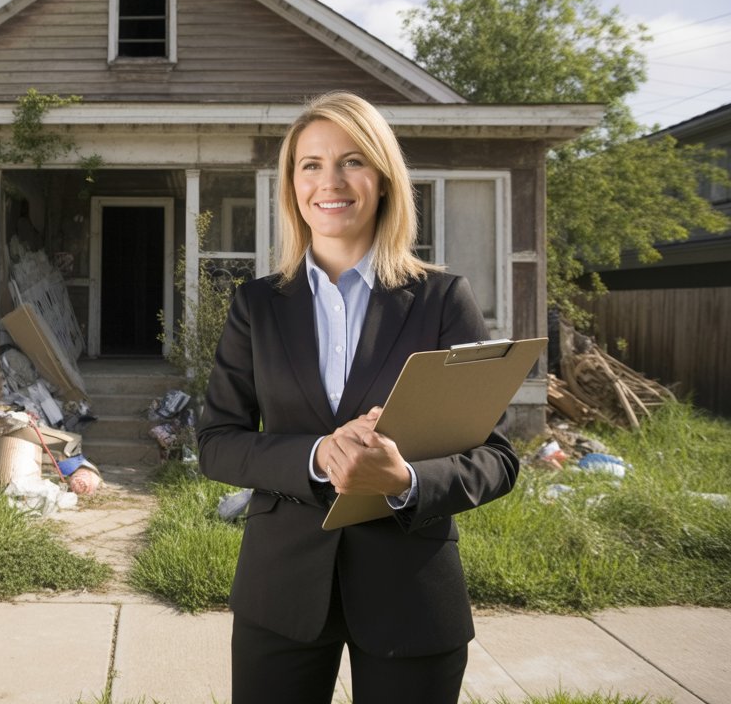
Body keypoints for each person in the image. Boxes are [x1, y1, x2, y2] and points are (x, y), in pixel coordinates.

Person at [196, 91, 519, 704]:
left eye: (352, 161)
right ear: (292, 184)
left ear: (383, 178)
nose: (330, 181)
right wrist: (320, 456)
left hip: (411, 592)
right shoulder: (257, 305)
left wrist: (403, 479)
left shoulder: (443, 299)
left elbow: (497, 457)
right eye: (310, 164)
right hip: (281, 588)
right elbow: (216, 444)